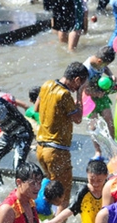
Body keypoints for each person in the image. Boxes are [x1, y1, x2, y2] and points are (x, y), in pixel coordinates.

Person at [36, 63, 89, 208]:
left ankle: (45, 218)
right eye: (80, 84)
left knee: (51, 191)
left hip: (40, 149)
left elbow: (36, 108)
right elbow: (78, 119)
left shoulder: (46, 85)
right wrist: (79, 94)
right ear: (77, 80)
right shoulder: (65, 95)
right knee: (63, 196)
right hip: (56, 152)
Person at [67, 158, 109, 223]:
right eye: (92, 180)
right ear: (87, 175)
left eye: (99, 180)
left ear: (106, 176)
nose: (95, 184)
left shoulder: (109, 190)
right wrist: (53, 221)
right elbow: (71, 209)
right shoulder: (84, 192)